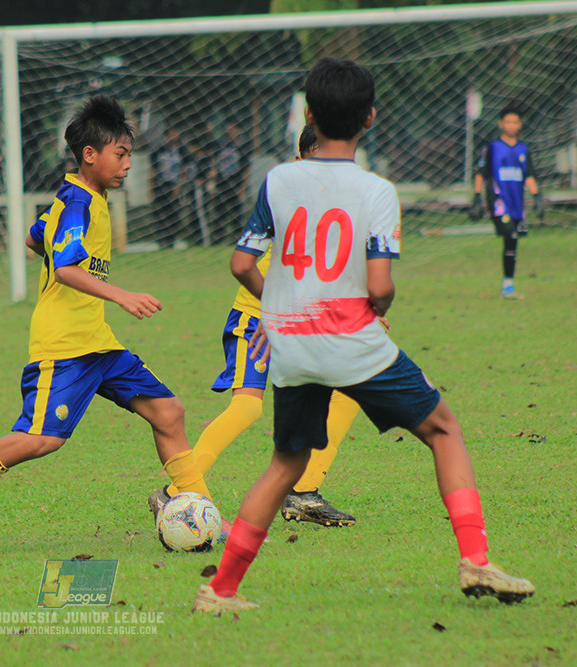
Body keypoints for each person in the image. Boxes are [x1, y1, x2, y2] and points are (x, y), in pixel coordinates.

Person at [192, 58, 534, 614]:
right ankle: (475, 558)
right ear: (370, 118)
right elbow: (380, 285)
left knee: (285, 465)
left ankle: (220, 590)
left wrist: (279, 307)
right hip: (353, 342)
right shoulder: (377, 190)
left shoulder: (278, 179)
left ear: (308, 114)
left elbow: (239, 264)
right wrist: (380, 304)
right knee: (444, 430)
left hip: (294, 344)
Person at [0, 95, 211, 554]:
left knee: (169, 412)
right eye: (120, 155)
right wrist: (121, 294)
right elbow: (65, 269)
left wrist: (59, 248)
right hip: (63, 345)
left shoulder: (78, 199)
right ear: (90, 155)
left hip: (97, 342)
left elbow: (34, 237)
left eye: (130, 156)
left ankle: (197, 510)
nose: (127, 165)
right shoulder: (77, 203)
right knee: (41, 439)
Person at [149, 125, 361, 530]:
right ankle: (174, 492)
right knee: (247, 407)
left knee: (347, 392)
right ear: (300, 161)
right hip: (256, 318)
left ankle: (304, 492)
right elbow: (251, 263)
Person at [469, 105, 542, 299]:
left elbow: (529, 175)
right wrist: (476, 197)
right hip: (498, 202)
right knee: (510, 234)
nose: (511, 125)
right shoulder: (492, 147)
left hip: (517, 203)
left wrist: (537, 197)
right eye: (507, 121)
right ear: (501, 124)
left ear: (520, 124)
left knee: (513, 240)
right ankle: (507, 287)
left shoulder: (523, 149)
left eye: (515, 122)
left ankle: (508, 286)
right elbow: (481, 173)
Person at [151, 126, 186, 248]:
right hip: (161, 186)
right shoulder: (159, 151)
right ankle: (161, 240)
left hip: (174, 185)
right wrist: (151, 188)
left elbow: (184, 171)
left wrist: (179, 186)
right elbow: (153, 170)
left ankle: (171, 240)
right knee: (160, 214)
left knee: (173, 214)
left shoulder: (181, 151)